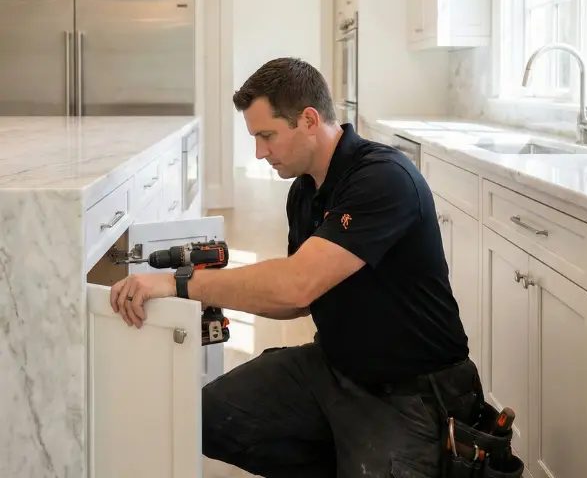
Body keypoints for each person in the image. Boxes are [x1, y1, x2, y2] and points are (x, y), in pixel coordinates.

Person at [110, 57, 484, 477]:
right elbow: (296, 304)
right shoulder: (304, 192)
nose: (259, 152)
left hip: (413, 392)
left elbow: (296, 287)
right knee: (206, 417)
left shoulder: (384, 177)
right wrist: (220, 296)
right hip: (336, 368)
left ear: (308, 119)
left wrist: (177, 285)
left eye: (267, 136)